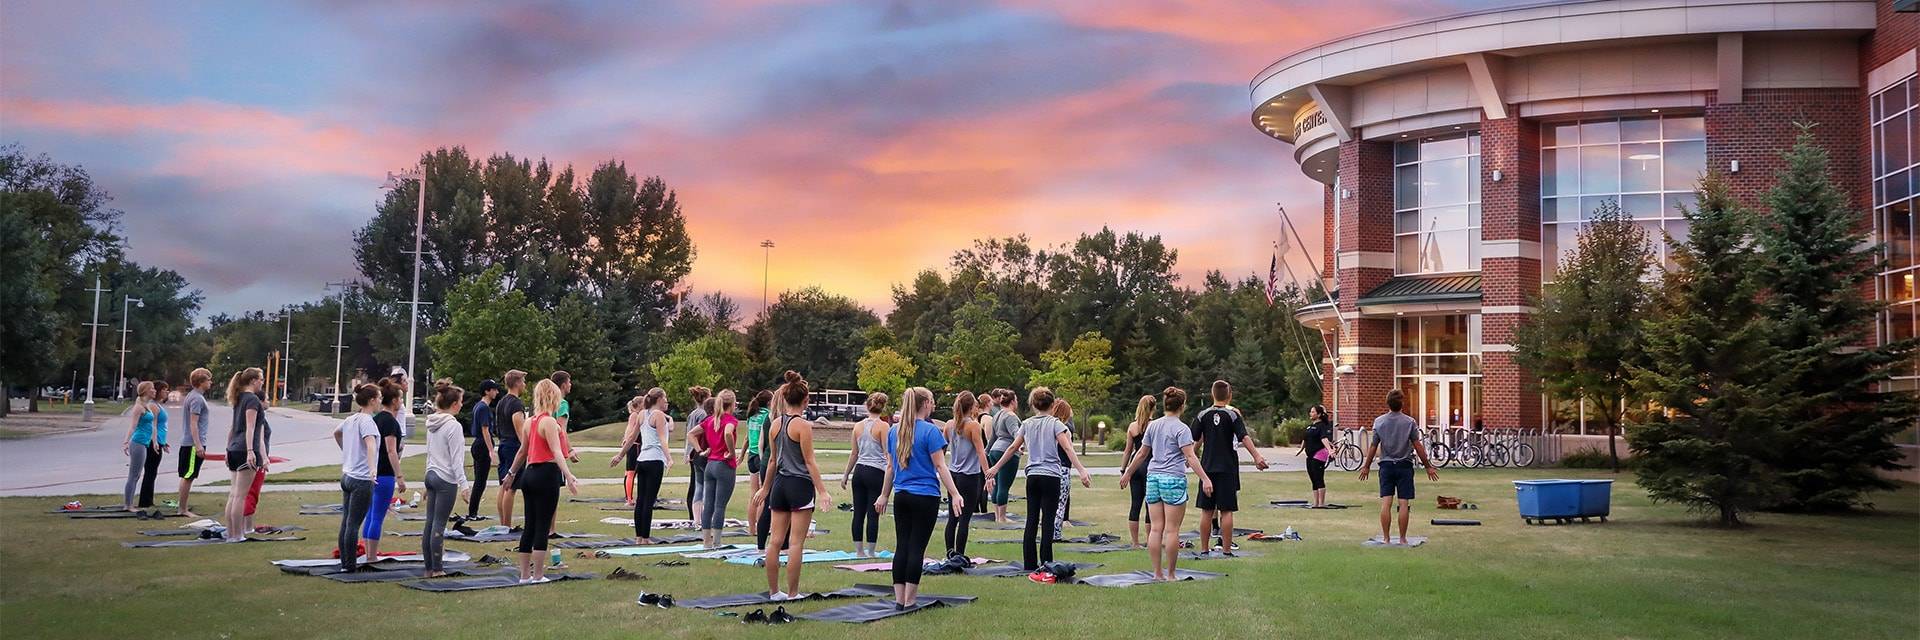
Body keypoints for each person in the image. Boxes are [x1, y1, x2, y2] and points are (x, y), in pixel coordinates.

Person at [983, 387, 1092, 572]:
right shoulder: (1056, 424)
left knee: (1031, 520)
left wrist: (995, 467)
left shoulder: (1026, 423)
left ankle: (1029, 564)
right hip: (1051, 476)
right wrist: (1081, 470)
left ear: (1033, 405)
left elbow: (1012, 448)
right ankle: (1047, 562)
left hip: (1032, 476)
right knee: (1047, 520)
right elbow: (1067, 448)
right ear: (1052, 405)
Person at [875, 386, 962, 608]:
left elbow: (890, 468)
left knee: (902, 545)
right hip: (925, 497)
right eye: (932, 401)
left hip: (902, 496)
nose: (933, 405)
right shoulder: (930, 432)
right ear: (924, 404)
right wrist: (954, 493)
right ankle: (910, 600)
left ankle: (899, 600)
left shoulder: (895, 431)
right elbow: (941, 467)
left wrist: (884, 495)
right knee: (916, 548)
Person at [1118, 386, 1211, 582]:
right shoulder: (1181, 429)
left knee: (1156, 528)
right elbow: (1191, 457)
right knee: (1172, 530)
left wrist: (1127, 473)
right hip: (1173, 480)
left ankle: (1157, 573)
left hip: (1153, 479)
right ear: (1182, 406)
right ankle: (1170, 574)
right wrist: (1205, 478)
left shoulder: (1153, 426)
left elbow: (1141, 453)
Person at [752, 371, 831, 601]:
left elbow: (773, 461)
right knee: (795, 542)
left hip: (779, 485)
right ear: (805, 401)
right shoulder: (803, 426)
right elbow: (809, 461)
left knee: (775, 541)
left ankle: (774, 591)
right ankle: (793, 593)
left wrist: (765, 489)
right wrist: (823, 491)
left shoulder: (775, 424)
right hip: (799, 486)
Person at [511, 379, 581, 583]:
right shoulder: (549, 422)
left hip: (529, 474)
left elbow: (522, 452)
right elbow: (556, 451)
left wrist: (511, 474)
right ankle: (538, 575)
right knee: (542, 526)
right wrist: (568, 475)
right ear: (554, 397)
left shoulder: (530, 421)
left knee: (530, 525)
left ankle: (524, 575)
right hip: (546, 474)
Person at [1192, 380, 1269, 556]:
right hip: (1227, 468)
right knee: (1226, 511)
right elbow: (1244, 437)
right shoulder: (1233, 415)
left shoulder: (1202, 415)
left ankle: (1204, 550)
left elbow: (1195, 438)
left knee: (1206, 510)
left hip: (1207, 468)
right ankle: (1226, 551)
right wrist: (1257, 456)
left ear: (1212, 394)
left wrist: (1191, 455)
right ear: (1230, 395)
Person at [1358, 389, 1438, 545]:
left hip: (1386, 466)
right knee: (1403, 503)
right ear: (1402, 403)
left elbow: (1374, 446)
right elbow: (1417, 445)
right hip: (1404, 466)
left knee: (1386, 502)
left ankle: (1386, 538)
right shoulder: (1409, 422)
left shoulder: (1379, 422)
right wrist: (1428, 466)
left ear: (1387, 403)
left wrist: (1366, 466)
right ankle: (1402, 538)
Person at [422, 381, 472, 577]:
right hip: (444, 479)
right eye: (460, 401)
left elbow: (430, 453)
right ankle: (437, 569)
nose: (461, 405)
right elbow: (456, 460)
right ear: (453, 404)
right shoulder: (454, 426)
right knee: (439, 524)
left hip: (431, 474)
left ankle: (428, 568)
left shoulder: (431, 423)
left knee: (429, 522)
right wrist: (464, 485)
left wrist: (426, 481)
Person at [611, 388, 670, 543]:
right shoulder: (659, 415)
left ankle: (638, 537)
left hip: (642, 460)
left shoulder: (642, 414)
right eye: (665, 398)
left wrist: (620, 455)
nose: (667, 401)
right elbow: (663, 439)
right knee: (649, 500)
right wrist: (669, 458)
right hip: (654, 460)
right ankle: (645, 537)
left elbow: (631, 438)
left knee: (641, 500)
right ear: (659, 399)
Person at [331, 384, 381, 570]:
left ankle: (345, 561)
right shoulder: (367, 421)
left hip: (348, 475)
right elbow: (370, 445)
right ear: (372, 400)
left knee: (346, 522)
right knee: (353, 524)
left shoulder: (351, 419)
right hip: (361, 479)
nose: (380, 401)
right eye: (379, 398)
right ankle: (349, 564)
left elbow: (336, 433)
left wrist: (347, 452)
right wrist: (372, 469)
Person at [360, 380, 408, 559]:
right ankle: (371, 556)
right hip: (384, 474)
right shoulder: (389, 422)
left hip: (371, 472)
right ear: (394, 401)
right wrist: (399, 476)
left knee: (371, 514)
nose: (402, 402)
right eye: (401, 398)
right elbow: (391, 451)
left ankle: (368, 552)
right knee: (377, 516)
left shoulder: (375, 419)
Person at [222, 368, 269, 542]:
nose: (262, 382)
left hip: (235, 449)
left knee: (234, 494)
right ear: (253, 381)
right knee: (240, 495)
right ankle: (236, 535)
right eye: (261, 379)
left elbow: (233, 428)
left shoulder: (238, 398)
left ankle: (231, 533)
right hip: (244, 450)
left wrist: (228, 450)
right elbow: (250, 427)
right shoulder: (251, 400)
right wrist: (251, 451)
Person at [841, 393, 890, 558]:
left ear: (867, 406)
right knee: (873, 513)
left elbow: (854, 454)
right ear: (883, 407)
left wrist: (846, 474)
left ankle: (859, 551)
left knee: (858, 513)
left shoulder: (858, 426)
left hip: (859, 472)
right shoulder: (883, 426)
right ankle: (870, 551)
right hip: (876, 472)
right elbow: (887, 453)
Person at [943, 391, 989, 559]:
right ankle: (959, 555)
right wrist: (988, 474)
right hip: (969, 476)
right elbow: (980, 452)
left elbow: (942, 447)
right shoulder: (973, 425)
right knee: (964, 519)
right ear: (971, 407)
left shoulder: (949, 424)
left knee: (953, 517)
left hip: (953, 474)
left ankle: (950, 553)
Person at [699, 390, 741, 549]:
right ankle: (717, 542)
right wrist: (731, 452)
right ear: (732, 404)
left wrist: (701, 450)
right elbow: (728, 433)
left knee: (708, 504)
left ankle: (706, 542)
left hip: (710, 465)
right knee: (719, 506)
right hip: (724, 466)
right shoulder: (730, 420)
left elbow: (691, 434)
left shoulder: (710, 420)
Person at [122, 381, 166, 513]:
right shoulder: (138, 407)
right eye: (152, 389)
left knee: (137, 474)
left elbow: (152, 426)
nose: (154, 391)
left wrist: (155, 442)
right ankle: (128, 505)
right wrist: (126, 442)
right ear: (146, 391)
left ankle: (130, 504)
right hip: (138, 442)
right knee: (134, 475)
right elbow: (133, 426)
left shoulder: (147, 406)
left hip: (146, 443)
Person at [175, 368, 213, 517]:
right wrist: (198, 445)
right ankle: (182, 509)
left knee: (188, 476)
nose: (211, 382)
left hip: (192, 443)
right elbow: (193, 423)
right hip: (192, 444)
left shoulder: (194, 397)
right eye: (209, 380)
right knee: (188, 476)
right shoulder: (196, 398)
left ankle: (182, 507)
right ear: (201, 382)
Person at [493, 370, 528, 528]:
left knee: (503, 484)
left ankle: (502, 524)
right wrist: (525, 446)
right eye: (523, 381)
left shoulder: (501, 402)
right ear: (517, 383)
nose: (525, 384)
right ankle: (506, 525)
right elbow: (519, 429)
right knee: (511, 487)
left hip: (503, 444)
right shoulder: (516, 404)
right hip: (514, 446)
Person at [736, 390, 774, 538]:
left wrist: (742, 455)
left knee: (753, 494)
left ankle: (752, 528)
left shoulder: (752, 416)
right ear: (770, 403)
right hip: (761, 456)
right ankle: (761, 526)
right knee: (763, 494)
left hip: (751, 457)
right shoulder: (767, 416)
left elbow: (746, 438)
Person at [1121, 395, 1154, 548]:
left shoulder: (1133, 427)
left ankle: (1135, 542)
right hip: (1149, 464)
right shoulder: (1154, 426)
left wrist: (1124, 470)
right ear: (1153, 408)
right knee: (1150, 504)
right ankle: (1149, 539)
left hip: (1135, 466)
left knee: (1135, 504)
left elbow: (1128, 451)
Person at [465, 379, 500, 520]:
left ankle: (473, 511)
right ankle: (472, 513)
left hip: (478, 444)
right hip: (482, 445)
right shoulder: (483, 408)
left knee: (480, 481)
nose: (497, 392)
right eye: (494, 389)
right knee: (480, 481)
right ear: (487, 391)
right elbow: (485, 430)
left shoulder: (478, 406)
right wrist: (491, 451)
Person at [985, 389, 1020, 523]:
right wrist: (1020, 446)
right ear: (1012, 401)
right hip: (1006, 451)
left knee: (998, 485)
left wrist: (987, 451)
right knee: (1004, 485)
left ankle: (997, 515)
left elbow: (993, 437)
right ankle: (1002, 517)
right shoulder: (1010, 415)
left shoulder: (997, 415)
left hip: (995, 450)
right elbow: (1016, 434)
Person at [1049, 398, 1077, 539]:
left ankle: (1048, 530)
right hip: (1063, 468)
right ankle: (1055, 533)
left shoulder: (1048, 426)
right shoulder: (1064, 429)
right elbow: (1068, 449)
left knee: (1048, 502)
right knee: (1060, 503)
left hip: (1049, 467)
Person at [684, 386, 712, 524]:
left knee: (695, 484)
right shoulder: (703, 415)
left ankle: (693, 516)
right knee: (701, 485)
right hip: (700, 451)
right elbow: (698, 434)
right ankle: (700, 517)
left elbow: (688, 433)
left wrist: (687, 452)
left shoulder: (693, 413)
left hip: (693, 452)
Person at [1301, 405, 1337, 508]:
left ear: (1319, 414)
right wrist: (1300, 450)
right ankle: (1316, 503)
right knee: (1313, 478)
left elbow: (1324, 439)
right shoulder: (1309, 427)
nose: (1310, 413)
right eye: (1311, 411)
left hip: (1320, 454)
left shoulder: (1322, 426)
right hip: (1310, 455)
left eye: (1313, 412)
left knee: (1318, 478)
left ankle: (1321, 503)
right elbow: (1305, 439)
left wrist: (1330, 450)